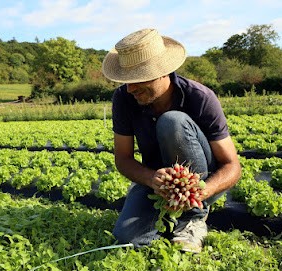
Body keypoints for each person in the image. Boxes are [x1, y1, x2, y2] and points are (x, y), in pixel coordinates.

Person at [101, 28, 241, 253]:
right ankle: (167, 217)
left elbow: (232, 165)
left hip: (199, 182)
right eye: (127, 80)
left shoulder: (200, 97)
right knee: (128, 238)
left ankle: (193, 218)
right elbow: (123, 158)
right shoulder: (123, 98)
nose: (131, 88)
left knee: (172, 122)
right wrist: (151, 178)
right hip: (157, 181)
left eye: (139, 79)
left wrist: (202, 191)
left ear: (163, 71)